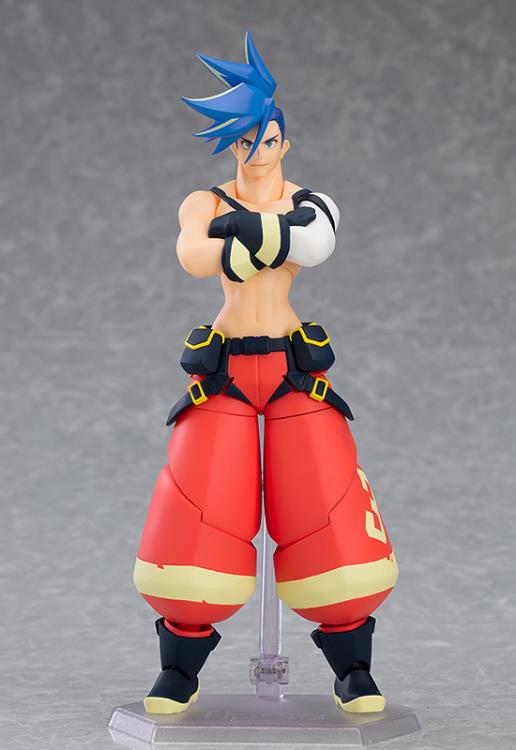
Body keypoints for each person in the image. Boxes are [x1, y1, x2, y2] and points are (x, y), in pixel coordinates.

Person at [133, 32, 399, 716]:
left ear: (285, 140)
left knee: (325, 505)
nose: (258, 150)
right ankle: (180, 669)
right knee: (199, 509)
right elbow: (194, 254)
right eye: (246, 140)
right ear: (233, 146)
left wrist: (255, 235)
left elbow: (316, 239)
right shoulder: (204, 201)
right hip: (224, 368)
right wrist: (248, 239)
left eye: (269, 138)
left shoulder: (311, 199)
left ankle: (353, 668)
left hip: (290, 368)